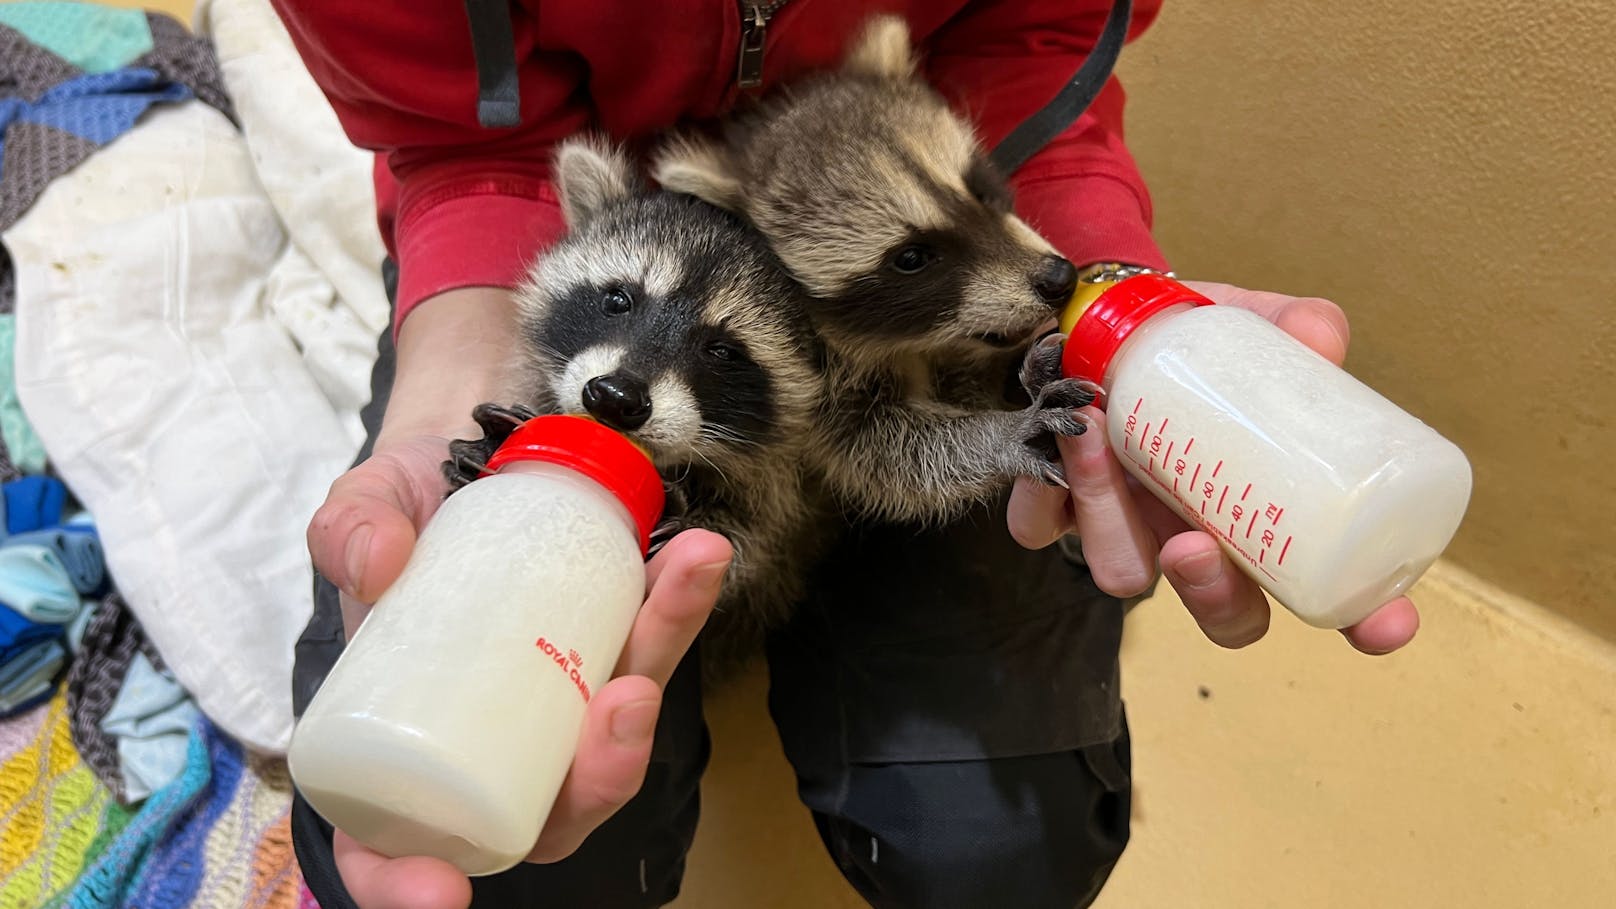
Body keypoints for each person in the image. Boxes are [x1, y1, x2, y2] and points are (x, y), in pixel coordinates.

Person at [269, 3, 1422, 907]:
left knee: (998, 855)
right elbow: (471, 145)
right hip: (613, 223)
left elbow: (1034, 69)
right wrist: (462, 400)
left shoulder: (882, 307)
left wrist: (1107, 292)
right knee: (507, 858)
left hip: (866, 339)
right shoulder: (637, 264)